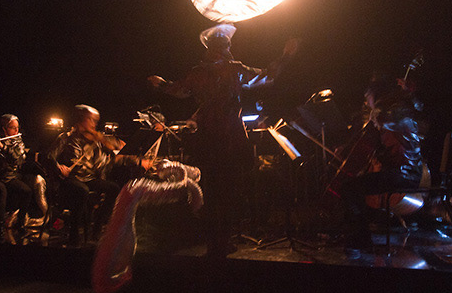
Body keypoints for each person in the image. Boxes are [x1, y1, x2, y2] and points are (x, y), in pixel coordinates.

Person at [148, 24, 298, 257]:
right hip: (230, 140)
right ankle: (224, 241)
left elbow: (179, 90)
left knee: (210, 191)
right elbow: (267, 75)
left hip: (206, 140)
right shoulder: (235, 68)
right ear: (224, 48)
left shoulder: (197, 72)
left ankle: (213, 243)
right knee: (228, 191)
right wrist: (286, 56)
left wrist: (161, 84)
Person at [338, 74, 425, 254]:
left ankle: (360, 240)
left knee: (348, 188)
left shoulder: (393, 115)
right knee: (355, 186)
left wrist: (375, 111)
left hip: (403, 174)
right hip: (406, 173)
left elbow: (381, 122)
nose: (366, 102)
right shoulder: (401, 112)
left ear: (376, 95)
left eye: (368, 97)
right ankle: (358, 238)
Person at [48, 105, 125, 246]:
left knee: (114, 188)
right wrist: (59, 168)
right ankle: (74, 233)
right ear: (81, 119)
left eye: (96, 121)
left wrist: (105, 141)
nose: (94, 124)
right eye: (91, 120)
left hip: (89, 179)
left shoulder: (95, 139)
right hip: (70, 179)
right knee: (82, 190)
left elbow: (115, 148)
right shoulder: (66, 137)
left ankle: (97, 227)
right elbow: (49, 157)